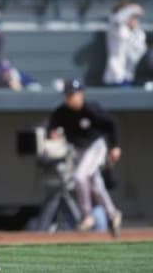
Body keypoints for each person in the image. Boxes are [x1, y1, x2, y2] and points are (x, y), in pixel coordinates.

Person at [47, 79, 122, 236]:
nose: (70, 97)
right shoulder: (62, 112)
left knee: (80, 177)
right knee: (95, 184)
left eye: (73, 94)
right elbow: (51, 126)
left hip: (96, 146)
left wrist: (115, 146)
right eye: (67, 95)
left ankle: (87, 215)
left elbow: (111, 123)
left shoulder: (91, 109)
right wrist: (51, 133)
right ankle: (112, 214)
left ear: (81, 94)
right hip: (80, 150)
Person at [103, 0, 147, 86]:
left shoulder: (138, 33)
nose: (134, 19)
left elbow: (139, 51)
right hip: (115, 75)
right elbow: (117, 18)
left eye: (135, 17)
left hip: (128, 75)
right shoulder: (115, 28)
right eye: (131, 17)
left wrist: (135, 31)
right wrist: (133, 8)